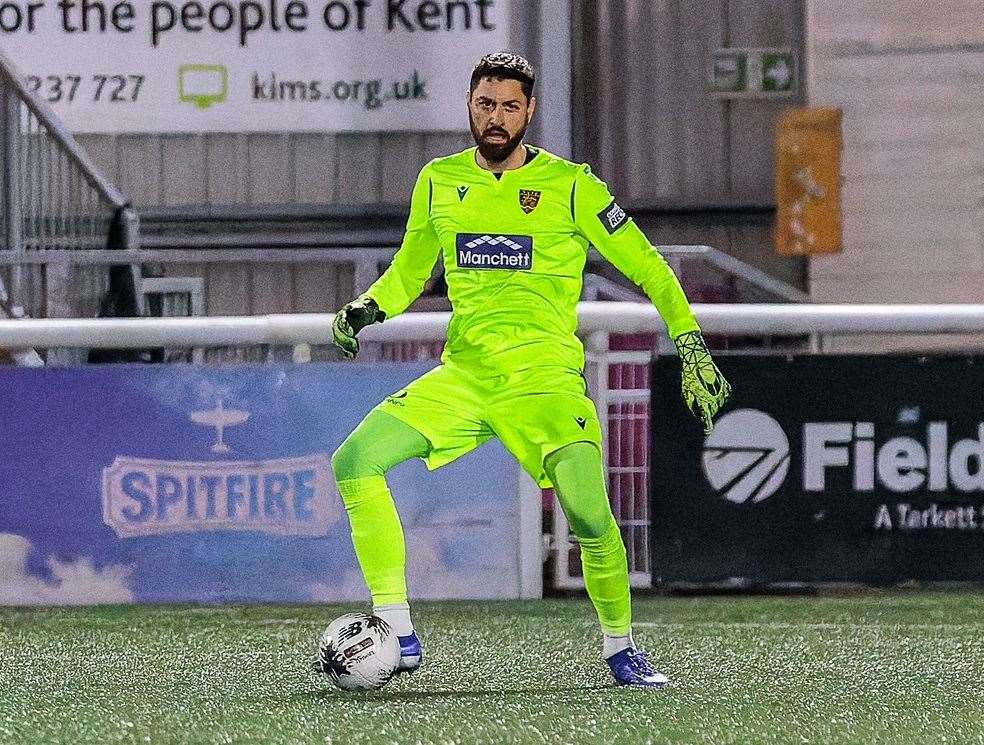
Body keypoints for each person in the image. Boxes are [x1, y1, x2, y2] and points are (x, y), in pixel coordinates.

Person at [330, 52, 731, 688]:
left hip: (545, 378)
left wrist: (690, 343)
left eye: (510, 107)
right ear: (469, 104)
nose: (496, 118)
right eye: (486, 105)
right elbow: (411, 271)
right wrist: (366, 307)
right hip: (465, 376)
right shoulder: (438, 180)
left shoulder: (573, 186)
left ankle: (621, 650)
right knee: (354, 462)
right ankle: (398, 631)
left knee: (591, 516)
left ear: (530, 111)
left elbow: (651, 267)